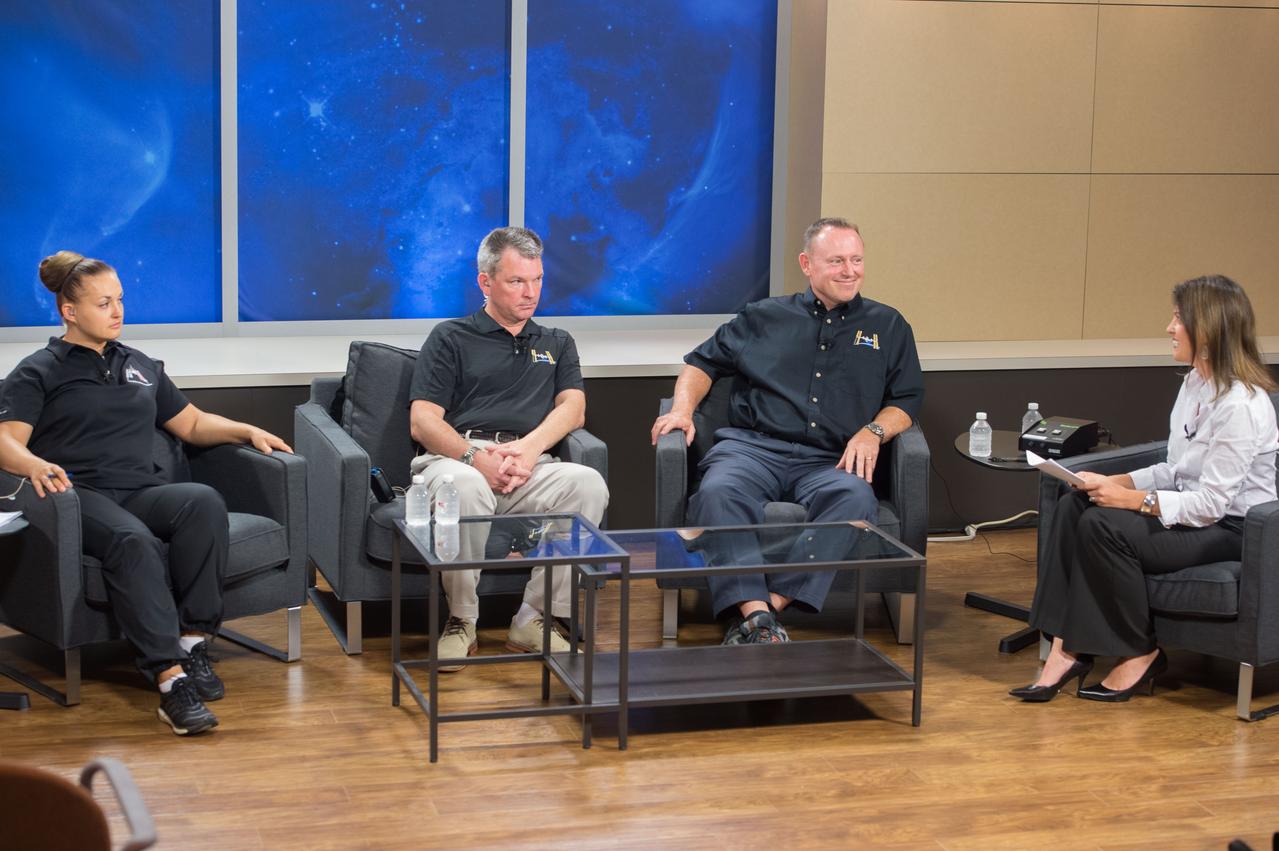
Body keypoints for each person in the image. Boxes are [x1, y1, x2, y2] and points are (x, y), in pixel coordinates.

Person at [0, 251, 292, 735]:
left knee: (202, 501)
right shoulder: (40, 371)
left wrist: (246, 431)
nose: (117, 311)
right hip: (77, 496)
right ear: (69, 312)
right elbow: (7, 442)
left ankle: (193, 642)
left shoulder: (139, 365)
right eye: (103, 303)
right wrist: (33, 463)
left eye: (120, 300)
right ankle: (168, 680)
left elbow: (192, 423)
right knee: (130, 540)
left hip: (138, 489)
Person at [649, 217, 924, 644]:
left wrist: (872, 431)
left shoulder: (889, 326)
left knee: (854, 499)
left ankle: (764, 613)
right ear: (807, 264)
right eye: (836, 261)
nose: (850, 270)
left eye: (856, 259)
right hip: (752, 450)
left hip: (831, 458)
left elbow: (906, 402)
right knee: (718, 493)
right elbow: (701, 363)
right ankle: (758, 614)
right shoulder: (763, 316)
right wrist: (683, 410)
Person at [1012, 275, 1278, 703]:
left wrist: (1132, 501)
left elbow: (1211, 504)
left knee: (1104, 526)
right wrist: (1115, 482)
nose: (1169, 328)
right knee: (1073, 505)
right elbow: (1176, 469)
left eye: (1178, 319)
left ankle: (1140, 652)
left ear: (1207, 330)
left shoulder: (1242, 406)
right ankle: (1064, 646)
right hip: (1195, 511)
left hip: (1235, 529)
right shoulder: (1194, 383)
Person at [408, 226, 609, 670]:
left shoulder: (556, 342)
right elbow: (423, 421)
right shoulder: (451, 337)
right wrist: (477, 459)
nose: (530, 292)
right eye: (517, 281)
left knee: (587, 483)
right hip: (458, 458)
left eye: (537, 280)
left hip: (527, 462)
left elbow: (573, 408)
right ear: (485, 281)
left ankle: (533, 618)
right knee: (465, 486)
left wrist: (531, 450)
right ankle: (461, 621)